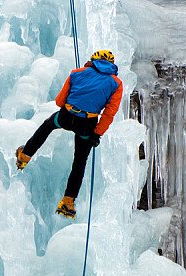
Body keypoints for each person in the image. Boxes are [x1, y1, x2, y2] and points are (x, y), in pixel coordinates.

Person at [15, 49, 123, 218]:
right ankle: (68, 202)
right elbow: (109, 112)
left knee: (47, 126)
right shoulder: (116, 84)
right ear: (112, 65)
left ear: (93, 61)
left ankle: (25, 155)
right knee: (79, 162)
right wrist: (97, 133)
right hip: (87, 124)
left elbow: (59, 101)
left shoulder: (76, 73)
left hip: (66, 115)